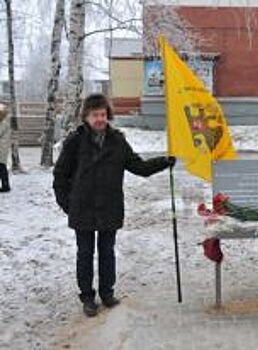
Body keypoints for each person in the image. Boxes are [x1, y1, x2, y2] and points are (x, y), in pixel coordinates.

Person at [53, 94, 174, 317]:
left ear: (107, 115)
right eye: (94, 115)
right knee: (85, 253)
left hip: (109, 206)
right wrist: (67, 204)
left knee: (107, 252)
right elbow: (60, 175)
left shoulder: (117, 141)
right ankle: (87, 297)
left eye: (102, 114)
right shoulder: (75, 141)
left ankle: (107, 293)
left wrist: (163, 162)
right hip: (82, 208)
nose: (99, 119)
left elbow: (139, 167)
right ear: (86, 116)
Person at [0, 103, 10, 193]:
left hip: (1, 149)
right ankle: (5, 185)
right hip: (2, 148)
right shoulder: (4, 122)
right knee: (2, 167)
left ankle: (5, 186)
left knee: (1, 167)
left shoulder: (3, 123)